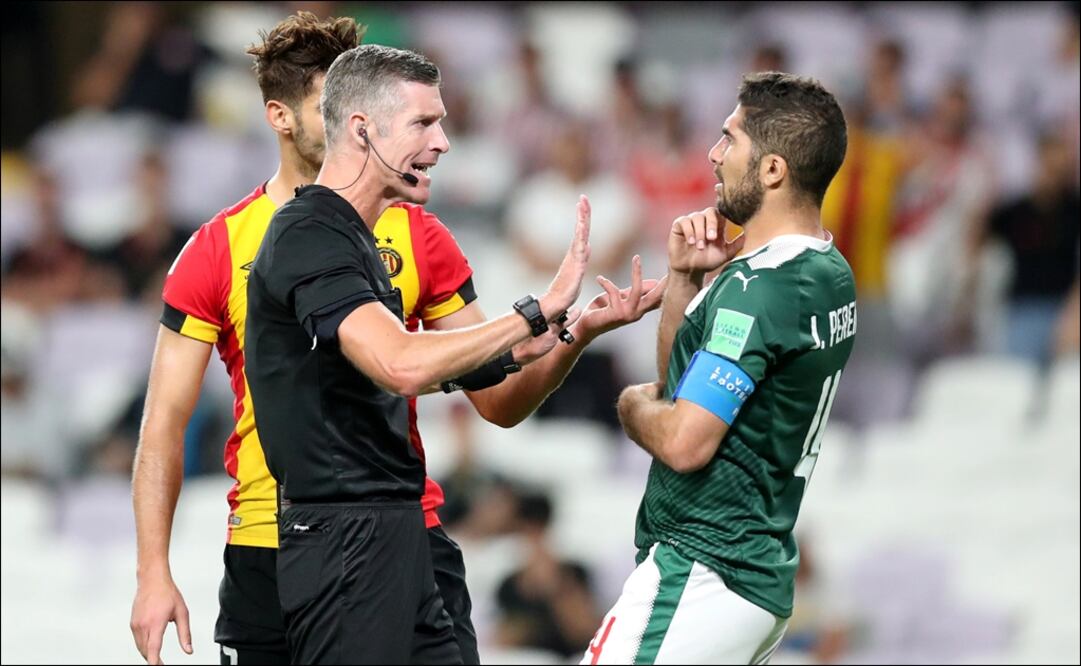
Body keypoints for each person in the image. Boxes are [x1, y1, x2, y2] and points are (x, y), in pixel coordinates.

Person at [130, 16, 664, 666]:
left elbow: (497, 402)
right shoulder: (218, 247)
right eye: (329, 104)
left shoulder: (419, 234)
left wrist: (575, 333)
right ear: (279, 116)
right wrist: (152, 570)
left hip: (405, 528)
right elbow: (163, 422)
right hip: (272, 542)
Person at [583, 72, 855, 664]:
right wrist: (685, 280)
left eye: (729, 140)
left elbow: (683, 441)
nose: (713, 153)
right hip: (753, 572)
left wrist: (632, 407)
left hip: (704, 564)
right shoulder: (826, 269)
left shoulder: (760, 290)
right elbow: (687, 386)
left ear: (773, 170)